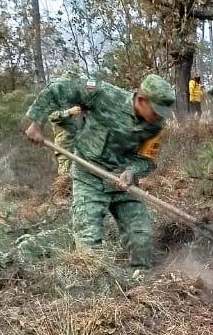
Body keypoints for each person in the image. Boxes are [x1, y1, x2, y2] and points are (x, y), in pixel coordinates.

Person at [23, 74, 176, 270]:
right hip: (89, 176)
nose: (159, 117)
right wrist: (36, 121)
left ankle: (138, 284)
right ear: (141, 100)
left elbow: (146, 160)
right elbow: (58, 88)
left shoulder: (156, 126)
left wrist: (131, 172)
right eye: (156, 111)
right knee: (89, 247)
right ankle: (90, 287)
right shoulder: (103, 94)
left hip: (123, 183)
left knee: (141, 238)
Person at [47, 104, 84, 199]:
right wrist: (69, 112)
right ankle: (62, 198)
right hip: (65, 148)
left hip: (79, 147)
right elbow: (52, 117)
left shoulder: (77, 106)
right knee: (65, 174)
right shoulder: (57, 108)